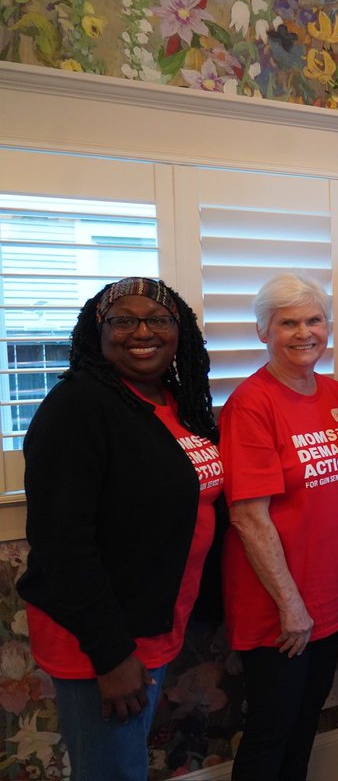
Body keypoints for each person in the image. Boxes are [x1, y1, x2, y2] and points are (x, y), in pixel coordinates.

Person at [18, 278, 223, 781]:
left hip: (154, 623)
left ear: (181, 332)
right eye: (123, 320)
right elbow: (63, 545)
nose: (141, 332)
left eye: (157, 320)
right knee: (114, 773)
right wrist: (111, 657)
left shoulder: (177, 402)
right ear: (99, 329)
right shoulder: (78, 407)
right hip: (101, 640)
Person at [219, 273, 338, 781]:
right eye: (287, 323)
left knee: (304, 729)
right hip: (278, 607)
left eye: (314, 319)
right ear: (263, 332)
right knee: (270, 733)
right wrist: (290, 605)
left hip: (328, 599)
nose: (304, 333)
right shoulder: (252, 404)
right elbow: (248, 517)